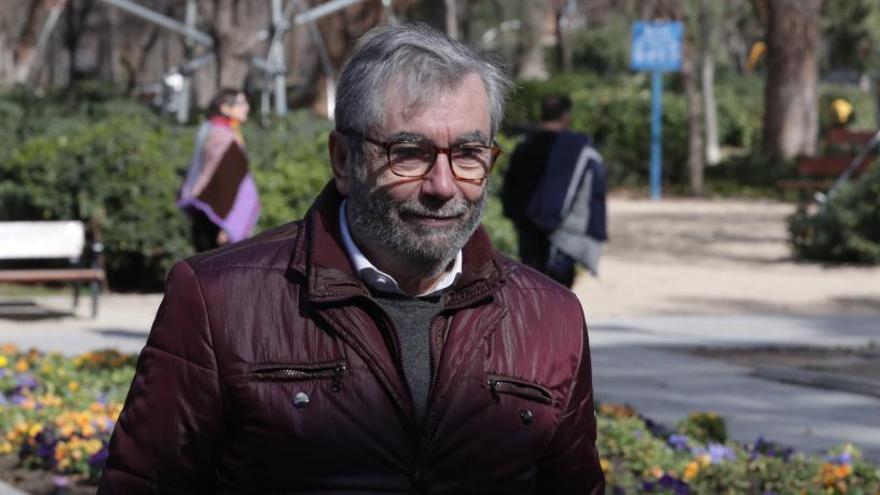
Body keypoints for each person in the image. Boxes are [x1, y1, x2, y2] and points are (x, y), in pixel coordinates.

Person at [99, 24, 604, 494]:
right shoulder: (217, 302)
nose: (443, 186)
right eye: (409, 152)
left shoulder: (550, 318)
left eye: (469, 154)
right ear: (343, 159)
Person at [501, 94, 607, 288]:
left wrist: (517, 219)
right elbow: (594, 197)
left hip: (528, 234)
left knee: (532, 288)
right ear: (566, 116)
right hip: (564, 239)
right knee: (560, 294)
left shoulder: (524, 146)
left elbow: (509, 190)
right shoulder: (582, 150)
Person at [178, 89, 260, 252]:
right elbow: (224, 182)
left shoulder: (215, 129)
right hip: (215, 219)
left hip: (209, 214)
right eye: (241, 103)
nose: (247, 107)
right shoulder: (221, 135)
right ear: (225, 108)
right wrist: (227, 223)